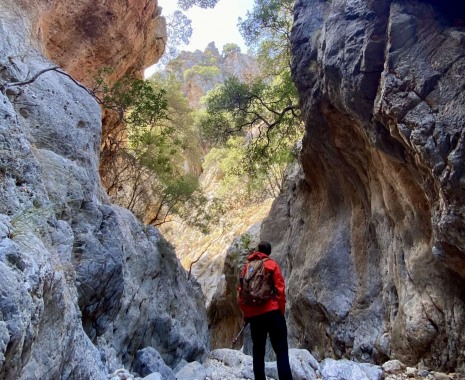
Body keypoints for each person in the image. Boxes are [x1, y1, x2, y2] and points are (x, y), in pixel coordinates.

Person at [238, 241, 293, 380]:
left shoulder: (247, 267)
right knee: (281, 350)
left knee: (258, 351)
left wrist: (247, 313)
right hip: (273, 312)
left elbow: (241, 293)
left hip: (255, 316)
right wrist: (280, 311)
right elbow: (280, 290)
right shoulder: (272, 265)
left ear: (258, 251)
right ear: (269, 252)